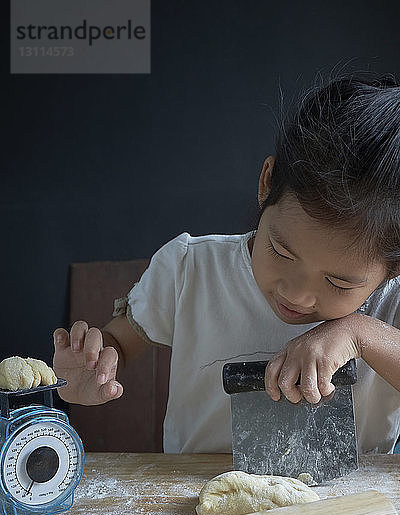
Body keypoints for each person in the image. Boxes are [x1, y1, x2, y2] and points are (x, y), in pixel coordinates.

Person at [53, 72, 400, 455]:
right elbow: (119, 340)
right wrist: (93, 367)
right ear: (267, 183)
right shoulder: (190, 271)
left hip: (348, 510)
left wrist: (358, 334)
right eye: (282, 252)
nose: (296, 294)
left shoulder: (392, 303)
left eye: (338, 282)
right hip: (197, 501)